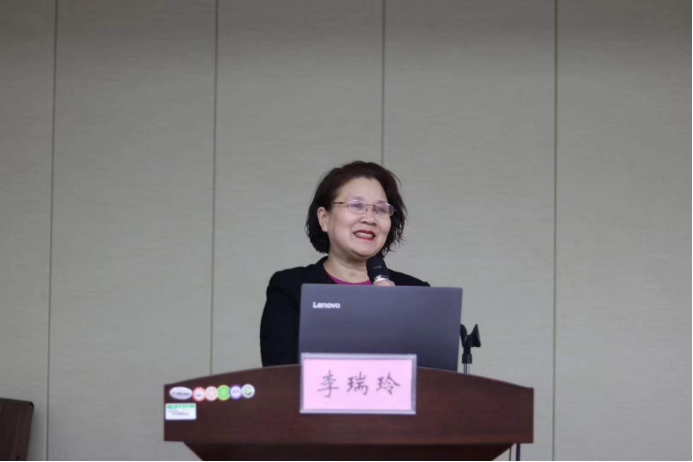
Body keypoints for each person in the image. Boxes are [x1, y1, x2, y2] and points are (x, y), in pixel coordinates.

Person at [260, 161, 430, 367]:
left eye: (381, 209)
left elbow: (433, 378)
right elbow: (279, 375)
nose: (370, 218)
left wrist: (395, 312)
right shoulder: (291, 288)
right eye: (356, 205)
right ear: (324, 218)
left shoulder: (416, 292)